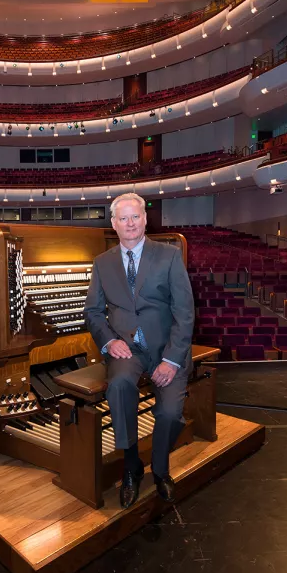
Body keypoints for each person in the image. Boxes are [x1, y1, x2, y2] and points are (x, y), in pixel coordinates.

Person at [84, 193, 194, 508]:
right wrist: (108, 340)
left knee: (170, 413)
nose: (130, 224)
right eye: (123, 218)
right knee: (118, 386)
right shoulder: (102, 262)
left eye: (136, 217)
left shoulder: (169, 256)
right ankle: (131, 465)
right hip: (125, 348)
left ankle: (160, 470)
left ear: (145, 220)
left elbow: (185, 312)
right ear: (114, 224)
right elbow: (92, 312)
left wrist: (172, 360)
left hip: (166, 348)